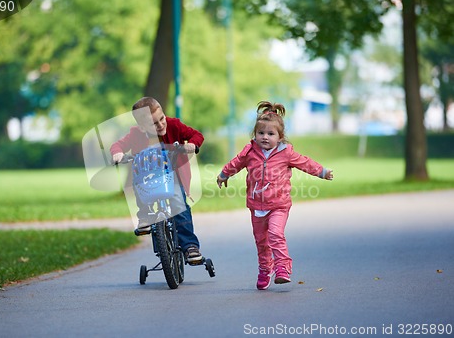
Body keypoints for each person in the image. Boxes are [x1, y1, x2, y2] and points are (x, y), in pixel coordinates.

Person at [216, 101, 333, 290]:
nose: (265, 137)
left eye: (271, 134)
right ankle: (264, 269)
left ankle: (282, 269)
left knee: (275, 234)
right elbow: (236, 163)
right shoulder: (250, 152)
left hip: (279, 205)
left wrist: (322, 172)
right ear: (255, 134)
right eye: (261, 133)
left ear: (280, 137)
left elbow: (305, 163)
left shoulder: (286, 153)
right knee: (261, 242)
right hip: (257, 206)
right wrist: (223, 174)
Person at [110, 96, 204, 263]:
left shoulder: (174, 125)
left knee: (179, 206)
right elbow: (118, 145)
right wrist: (117, 154)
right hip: (148, 176)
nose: (161, 125)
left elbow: (196, 135)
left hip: (172, 175)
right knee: (138, 184)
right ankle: (145, 215)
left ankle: (190, 245)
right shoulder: (135, 133)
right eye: (154, 123)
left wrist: (191, 144)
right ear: (141, 126)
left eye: (162, 119)